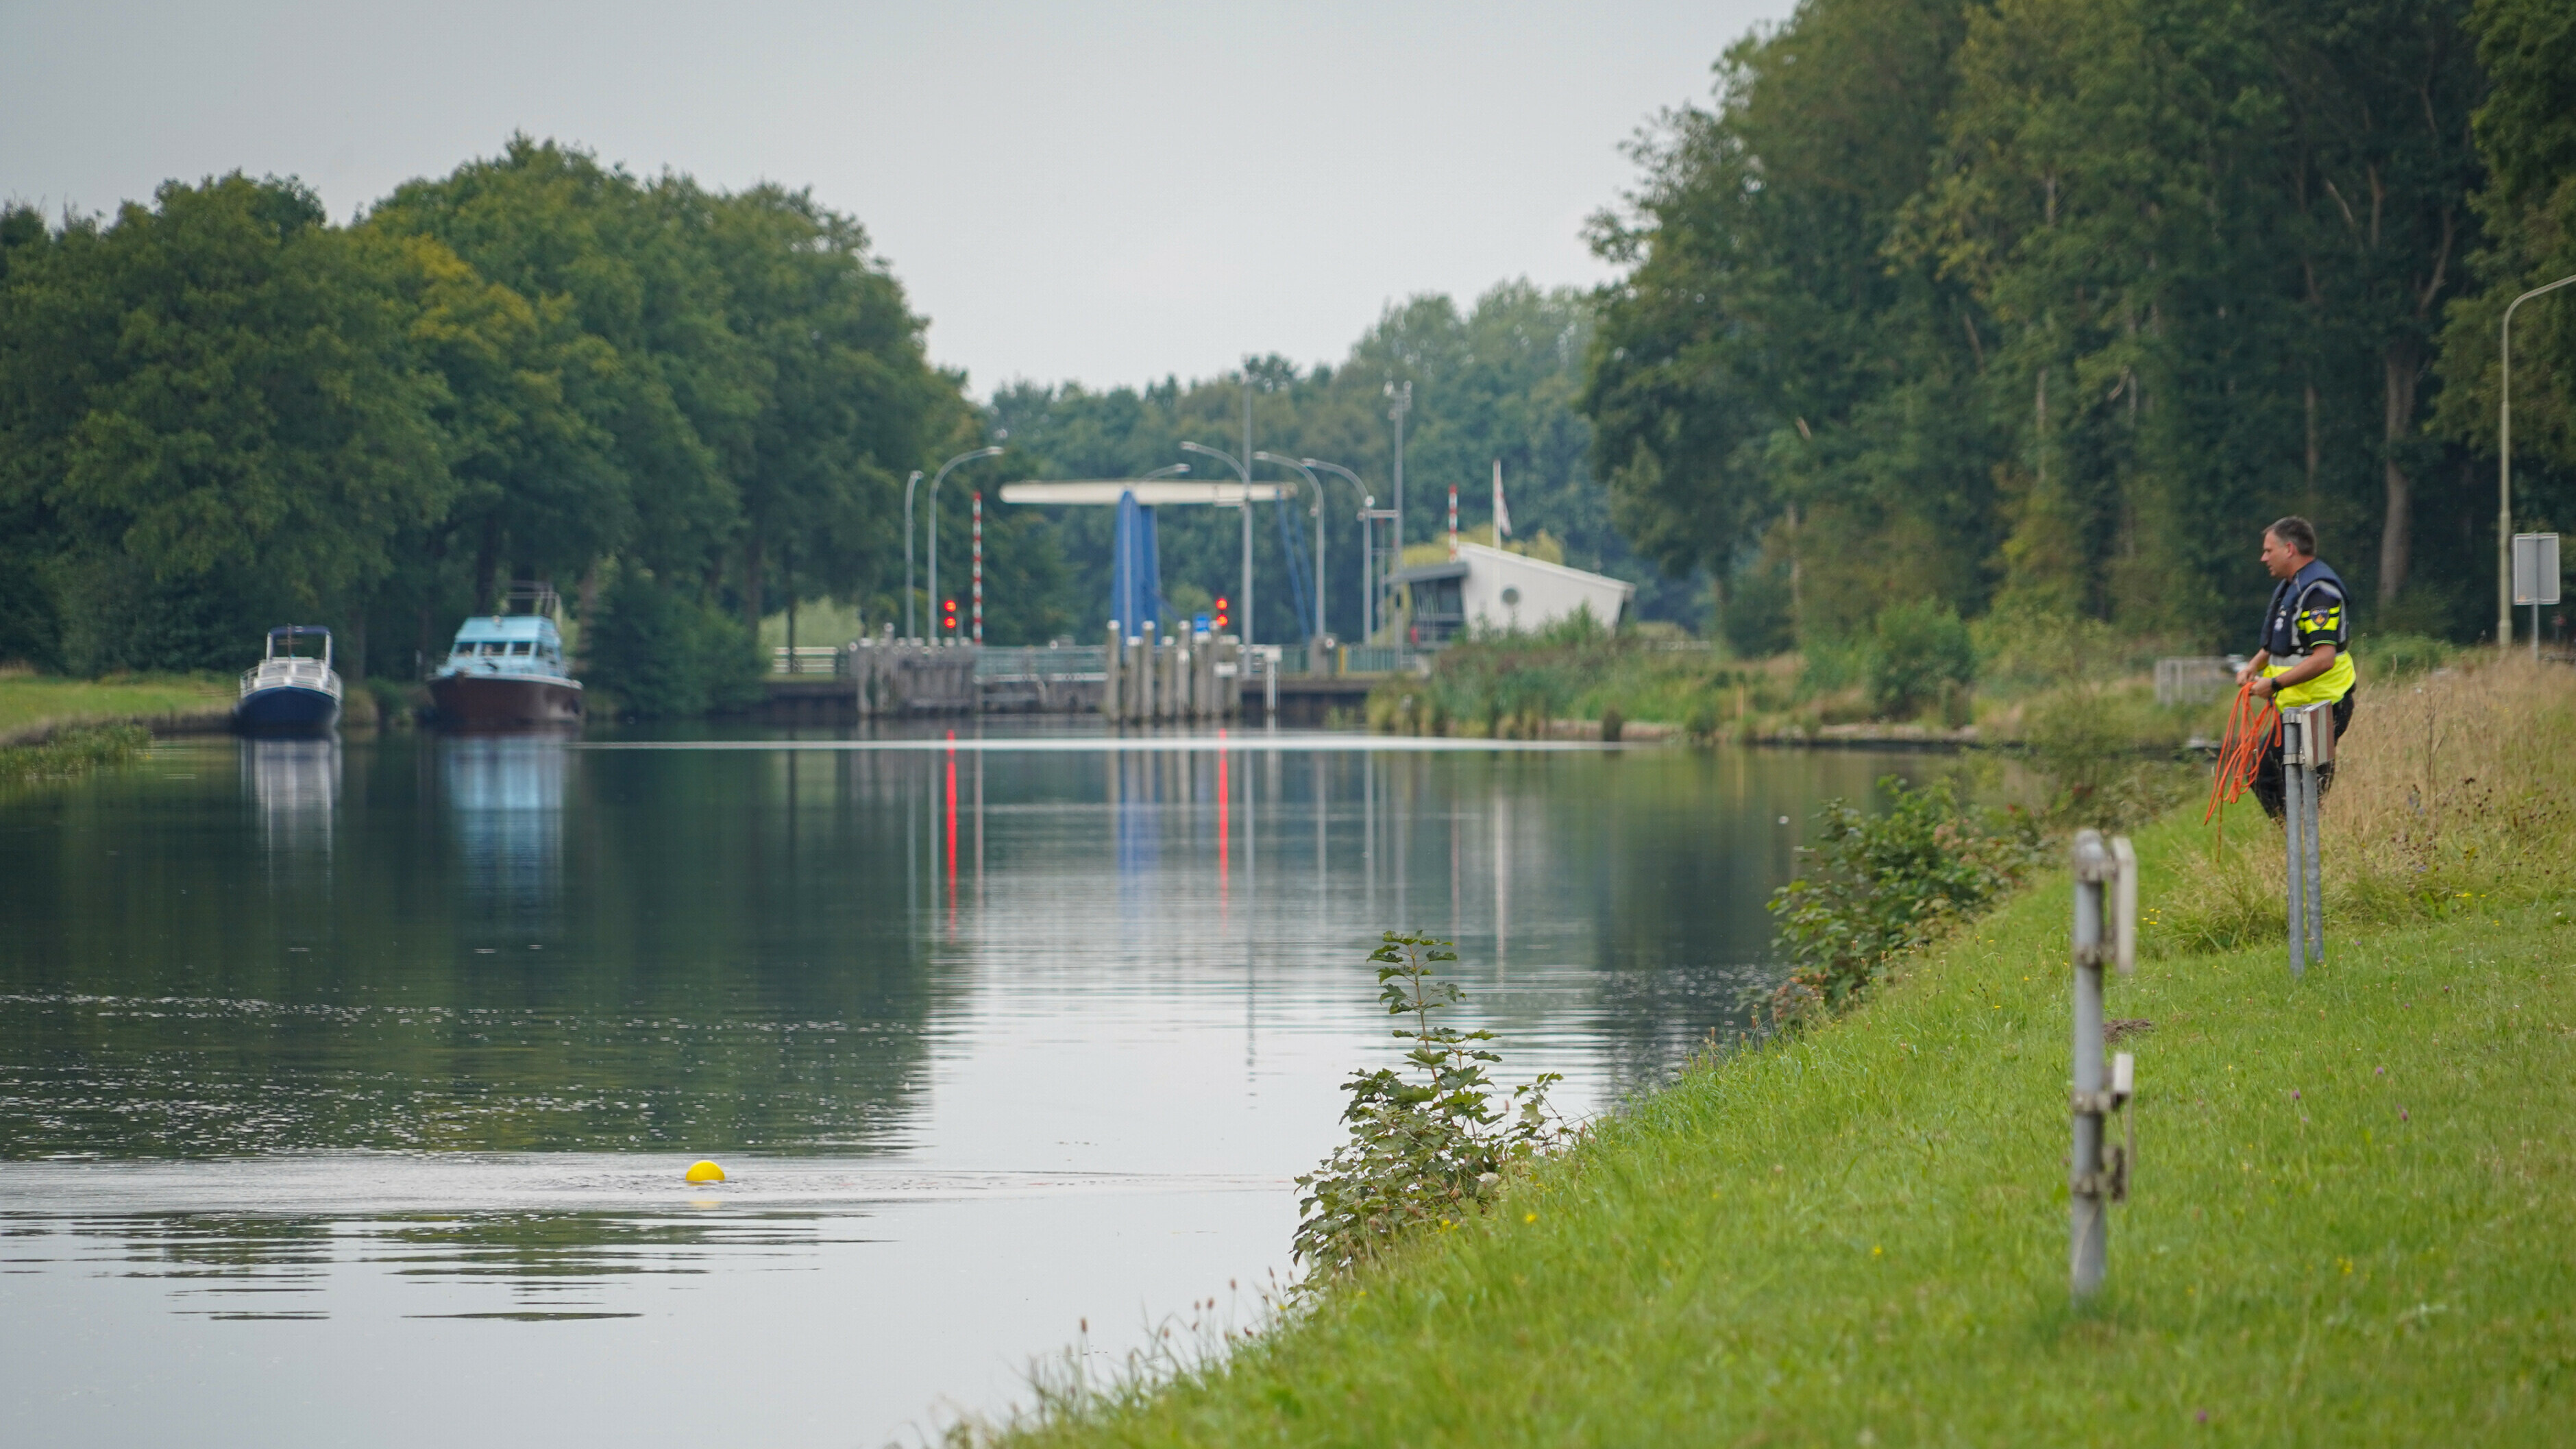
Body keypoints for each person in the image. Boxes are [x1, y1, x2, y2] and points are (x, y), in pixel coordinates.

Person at [2235, 516, 2357, 818]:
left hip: (2323, 708)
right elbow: (2280, 643)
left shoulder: (2319, 593)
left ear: (2289, 549)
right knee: (2261, 773)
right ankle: (2293, 839)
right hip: (2293, 707)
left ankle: (2308, 840)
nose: (2263, 558)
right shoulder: (2293, 587)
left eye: (2268, 550)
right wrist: (2253, 666)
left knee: (2308, 788)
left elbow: (2324, 658)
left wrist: (2274, 684)